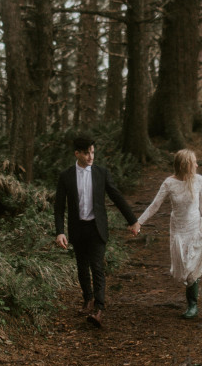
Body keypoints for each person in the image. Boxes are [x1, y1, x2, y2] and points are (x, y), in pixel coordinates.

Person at [132, 149, 202, 318]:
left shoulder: (199, 180)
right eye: (194, 162)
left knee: (192, 266)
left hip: (196, 228)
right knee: (184, 267)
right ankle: (192, 300)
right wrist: (139, 222)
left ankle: (193, 305)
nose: (197, 165)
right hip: (178, 229)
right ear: (185, 165)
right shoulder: (169, 183)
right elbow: (155, 205)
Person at [53, 134, 139, 327]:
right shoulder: (66, 176)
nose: (91, 156)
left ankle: (99, 310)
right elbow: (59, 207)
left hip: (96, 227)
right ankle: (88, 299)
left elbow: (116, 196)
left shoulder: (101, 173)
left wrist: (132, 220)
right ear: (77, 153)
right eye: (86, 153)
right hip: (77, 227)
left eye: (92, 152)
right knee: (82, 267)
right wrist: (60, 232)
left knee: (97, 267)